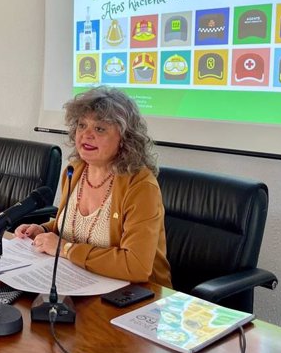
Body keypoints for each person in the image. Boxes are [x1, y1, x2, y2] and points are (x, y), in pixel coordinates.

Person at [15, 86, 171, 286]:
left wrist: (66, 249)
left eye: (99, 129)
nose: (86, 135)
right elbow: (74, 227)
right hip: (80, 281)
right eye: (81, 125)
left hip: (137, 296)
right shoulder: (74, 170)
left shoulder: (141, 186)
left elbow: (136, 265)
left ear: (124, 139)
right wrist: (43, 229)